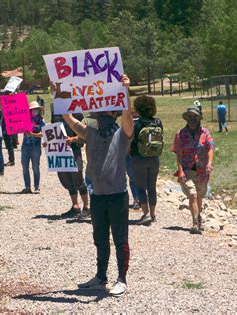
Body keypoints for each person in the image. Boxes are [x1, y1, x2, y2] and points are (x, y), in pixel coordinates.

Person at [61, 75, 134, 297]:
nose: (101, 117)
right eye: (99, 113)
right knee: (100, 238)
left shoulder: (123, 134)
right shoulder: (89, 133)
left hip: (118, 194)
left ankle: (121, 279)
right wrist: (59, 92)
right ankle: (100, 277)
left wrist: (126, 90)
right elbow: (68, 118)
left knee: (120, 238)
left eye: (106, 113)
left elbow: (128, 115)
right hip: (98, 195)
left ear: (114, 114)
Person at [172, 105, 214, 234]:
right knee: (193, 195)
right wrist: (181, 171)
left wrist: (209, 163)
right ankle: (195, 222)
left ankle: (198, 217)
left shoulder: (205, 133)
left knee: (200, 197)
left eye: (194, 116)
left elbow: (210, 148)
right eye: (190, 116)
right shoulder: (180, 134)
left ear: (199, 118)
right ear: (186, 118)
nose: (192, 119)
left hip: (202, 170)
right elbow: (178, 154)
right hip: (187, 169)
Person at [130, 95, 164, 225]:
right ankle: (153, 214)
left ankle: (146, 214)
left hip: (138, 158)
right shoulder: (158, 122)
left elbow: (131, 141)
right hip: (154, 158)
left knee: (140, 187)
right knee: (152, 187)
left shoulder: (137, 124)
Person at [51, 113, 90, 219]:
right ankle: (75, 206)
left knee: (78, 177)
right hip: (60, 150)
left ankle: (86, 207)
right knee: (65, 178)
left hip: (74, 149)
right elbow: (53, 129)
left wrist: (72, 139)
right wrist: (49, 142)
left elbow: (85, 134)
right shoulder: (55, 111)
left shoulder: (77, 113)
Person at [20, 101, 45, 194]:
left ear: (39, 110)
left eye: (36, 109)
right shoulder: (25, 119)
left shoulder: (41, 121)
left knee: (35, 167)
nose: (34, 111)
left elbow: (44, 133)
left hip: (36, 147)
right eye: (32, 109)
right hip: (25, 146)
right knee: (25, 167)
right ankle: (27, 187)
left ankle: (36, 187)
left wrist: (33, 134)